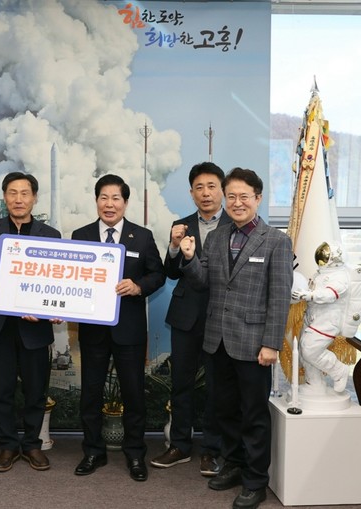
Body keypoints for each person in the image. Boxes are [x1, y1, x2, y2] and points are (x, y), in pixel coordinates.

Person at [179, 167, 292, 509]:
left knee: (253, 415)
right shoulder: (216, 237)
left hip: (255, 344)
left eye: (244, 196)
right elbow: (203, 281)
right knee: (224, 410)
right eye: (232, 197)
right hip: (218, 341)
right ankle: (233, 464)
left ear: (258, 198)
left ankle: (256, 481)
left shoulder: (276, 241)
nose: (237, 203)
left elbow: (279, 297)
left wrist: (271, 344)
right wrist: (188, 258)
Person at [0, 171, 62, 473]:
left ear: (34, 198)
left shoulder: (50, 235)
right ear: (5, 197)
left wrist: (56, 307)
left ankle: (32, 445)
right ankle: (7, 445)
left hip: (35, 327)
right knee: (2, 391)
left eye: (25, 193)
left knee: (35, 391)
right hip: (0, 326)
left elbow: (58, 282)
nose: (18, 199)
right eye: (12, 193)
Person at [71, 174, 165, 482]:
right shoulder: (81, 235)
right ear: (96, 201)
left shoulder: (142, 236)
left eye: (115, 198)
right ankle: (92, 451)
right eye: (104, 198)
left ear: (125, 202)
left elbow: (158, 275)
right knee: (91, 394)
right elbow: (71, 279)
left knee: (134, 394)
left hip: (129, 330)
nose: (109, 204)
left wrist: (138, 287)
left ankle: (135, 453)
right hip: (93, 331)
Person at [151, 162, 231, 476]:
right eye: (199, 187)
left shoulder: (236, 224)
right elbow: (170, 273)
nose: (206, 193)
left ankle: (211, 450)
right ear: (191, 192)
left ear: (222, 190)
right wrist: (173, 247)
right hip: (186, 317)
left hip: (222, 317)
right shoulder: (181, 225)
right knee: (181, 384)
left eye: (212, 186)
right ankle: (180, 445)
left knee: (216, 386)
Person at [291, 241, 354, 394]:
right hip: (313, 316)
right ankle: (315, 383)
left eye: (325, 255)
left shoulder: (340, 276)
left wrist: (309, 295)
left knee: (310, 349)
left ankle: (339, 370)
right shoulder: (320, 274)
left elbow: (329, 295)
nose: (321, 258)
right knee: (303, 352)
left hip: (328, 319)